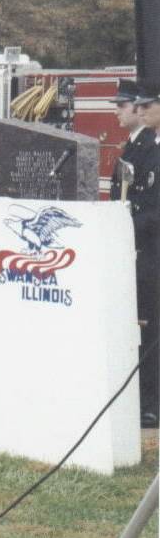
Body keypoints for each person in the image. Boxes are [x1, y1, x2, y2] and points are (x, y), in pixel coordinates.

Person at [126, 79, 160, 427]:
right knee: (148, 330)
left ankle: (153, 404)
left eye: (149, 104)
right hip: (148, 253)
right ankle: (147, 400)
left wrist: (127, 225)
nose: (142, 110)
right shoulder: (151, 146)